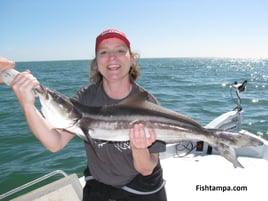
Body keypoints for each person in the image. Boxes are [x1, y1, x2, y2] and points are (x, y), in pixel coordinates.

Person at [1, 28, 167, 201]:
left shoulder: (147, 102)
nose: (112, 57)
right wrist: (27, 104)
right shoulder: (86, 98)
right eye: (104, 52)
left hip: (142, 188)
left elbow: (146, 169)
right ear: (97, 61)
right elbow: (55, 143)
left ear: (131, 58)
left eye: (120, 50)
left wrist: (138, 147)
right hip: (99, 186)